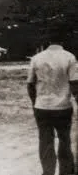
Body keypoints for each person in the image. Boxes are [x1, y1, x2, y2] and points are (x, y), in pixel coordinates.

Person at [27, 34, 78, 175]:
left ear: (48, 41)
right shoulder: (69, 57)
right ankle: (66, 171)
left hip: (42, 106)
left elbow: (30, 84)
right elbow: (74, 84)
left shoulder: (36, 58)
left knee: (45, 141)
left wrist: (34, 102)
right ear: (62, 41)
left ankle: (48, 172)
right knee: (64, 140)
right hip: (63, 107)